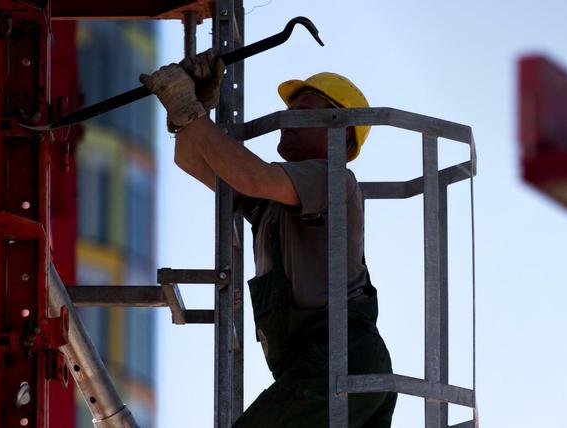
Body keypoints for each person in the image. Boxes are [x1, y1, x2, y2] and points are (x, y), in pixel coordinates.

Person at [140, 51, 397, 427]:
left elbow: (252, 176)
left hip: (342, 361)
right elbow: (194, 162)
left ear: (340, 134)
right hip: (319, 368)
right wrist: (191, 115)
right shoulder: (271, 205)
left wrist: (193, 112)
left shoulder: (333, 178)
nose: (288, 120)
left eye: (304, 111)